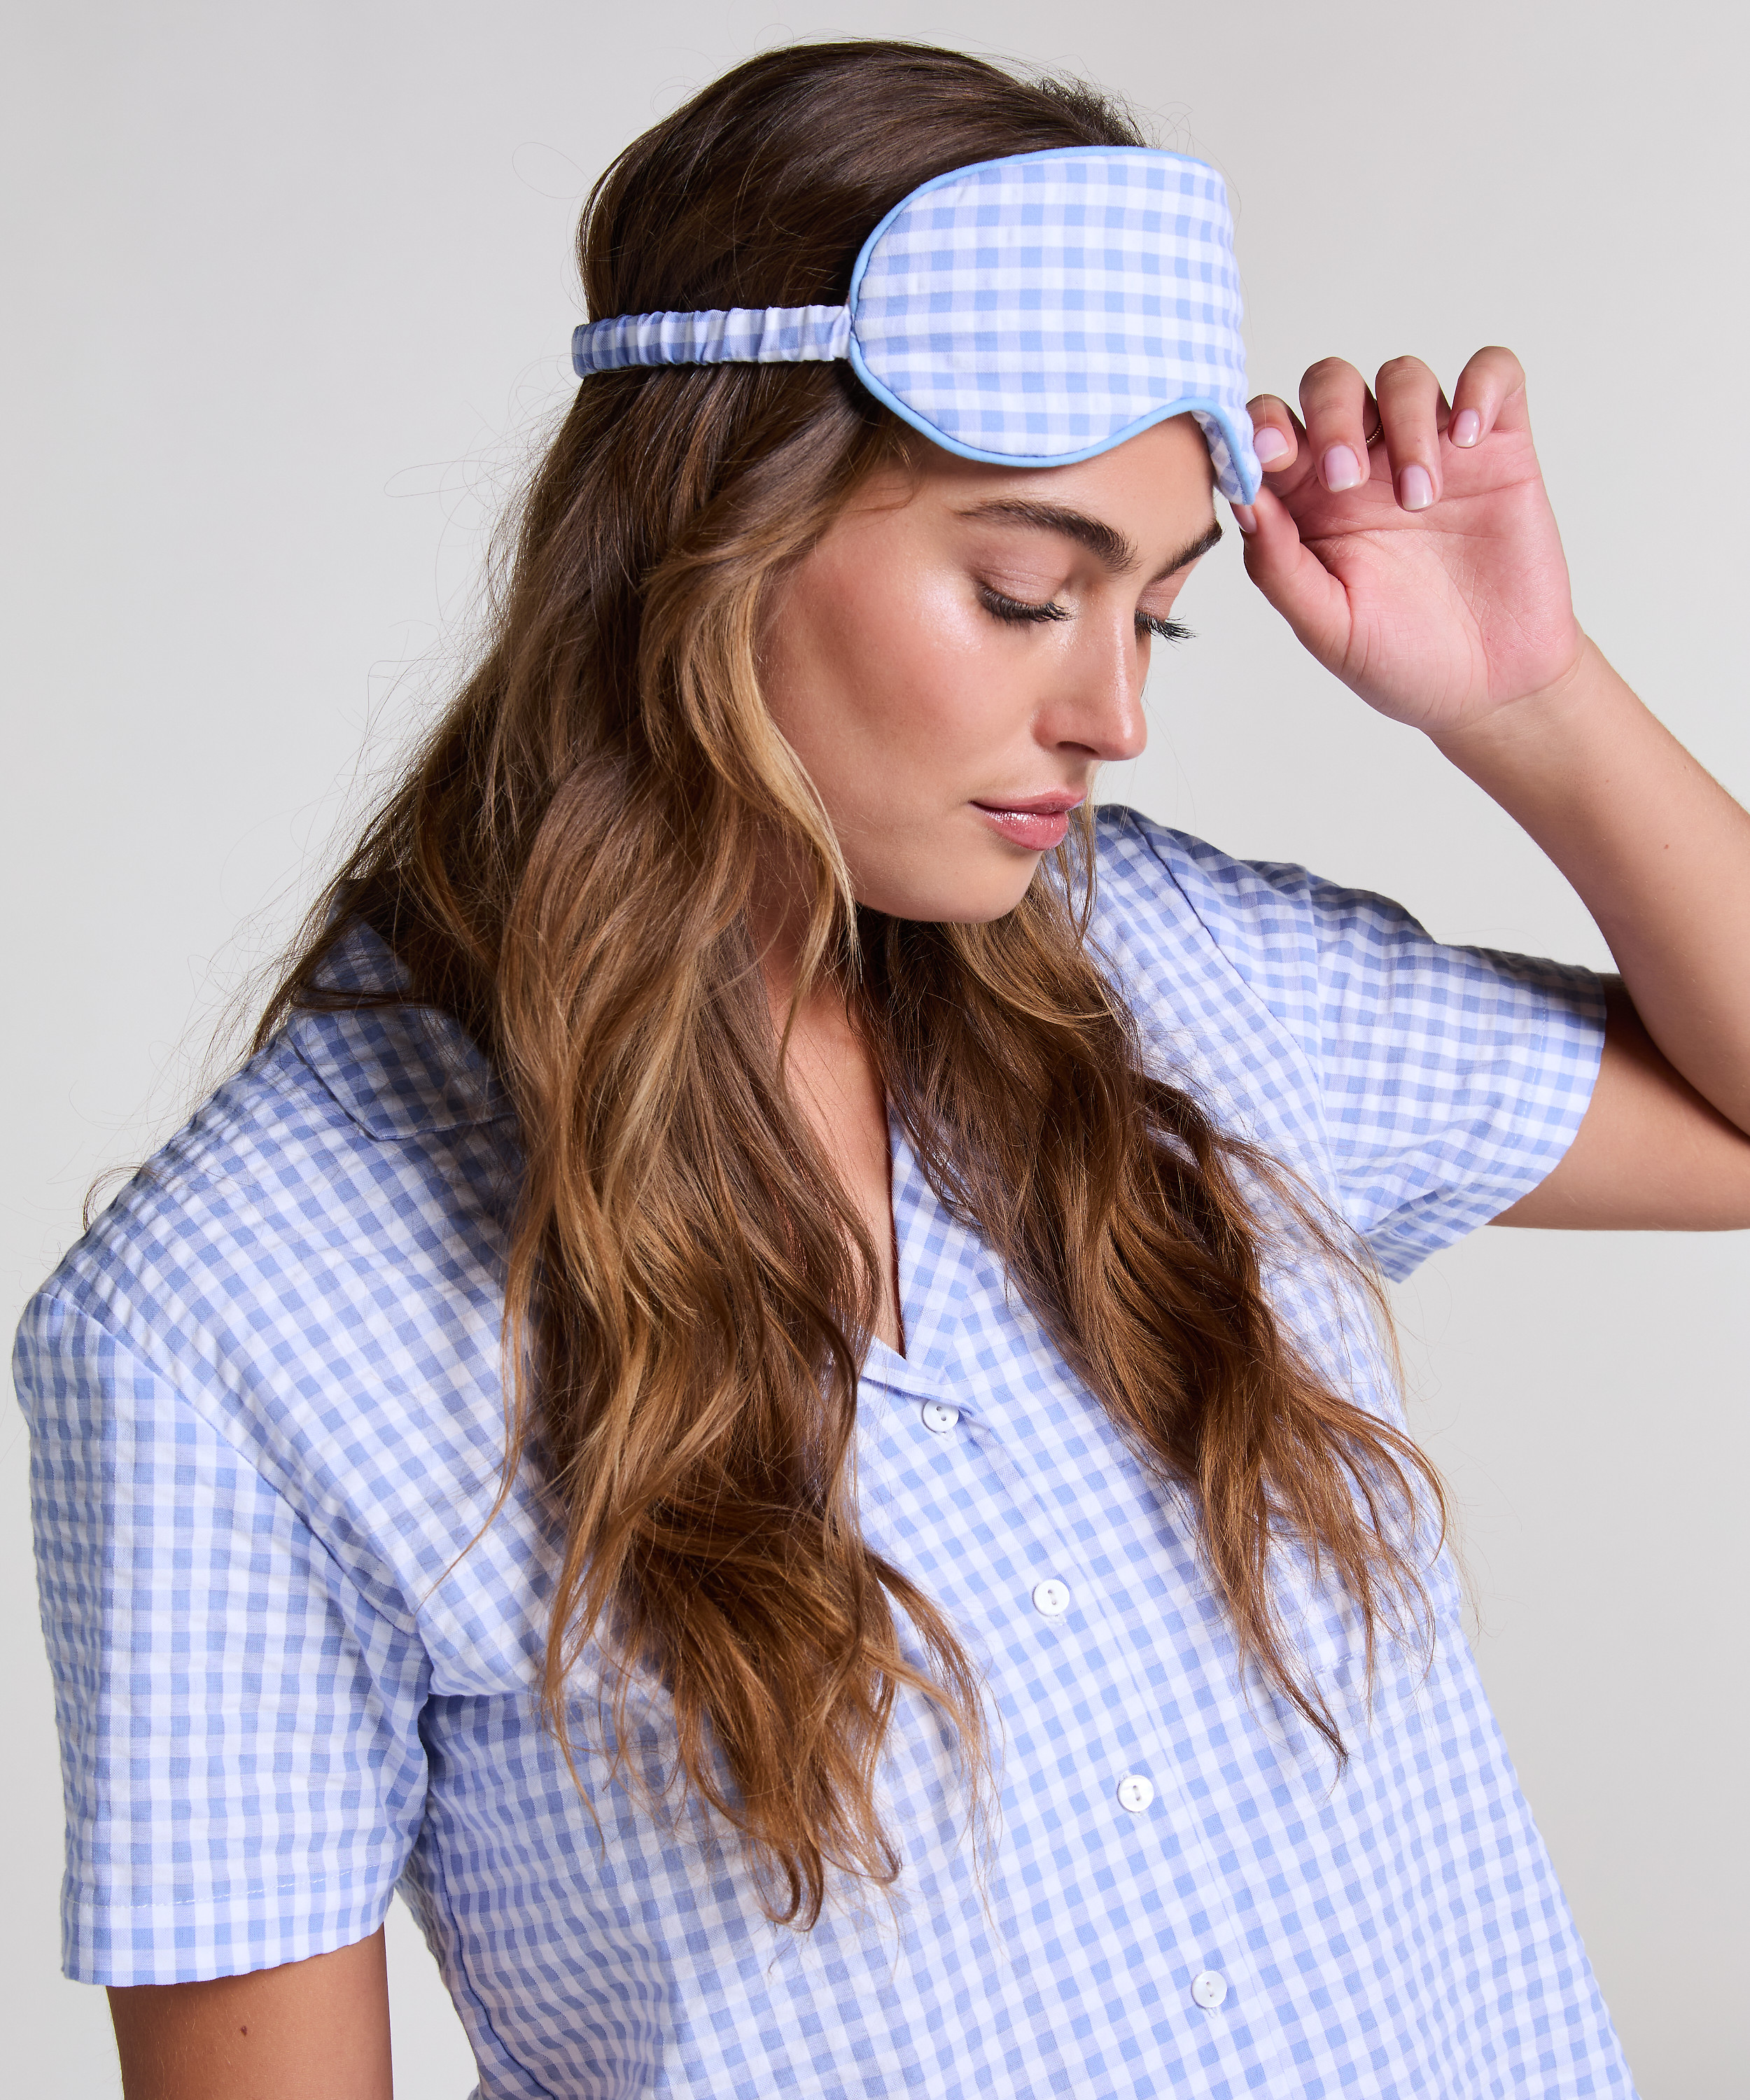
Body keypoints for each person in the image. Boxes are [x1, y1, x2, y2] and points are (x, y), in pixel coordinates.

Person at [15, 37, 1749, 2100]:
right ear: (711, 527)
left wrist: (1528, 701)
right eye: (1023, 593)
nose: (1113, 716)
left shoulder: (1174, 976)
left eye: (1158, 617)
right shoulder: (231, 1319)